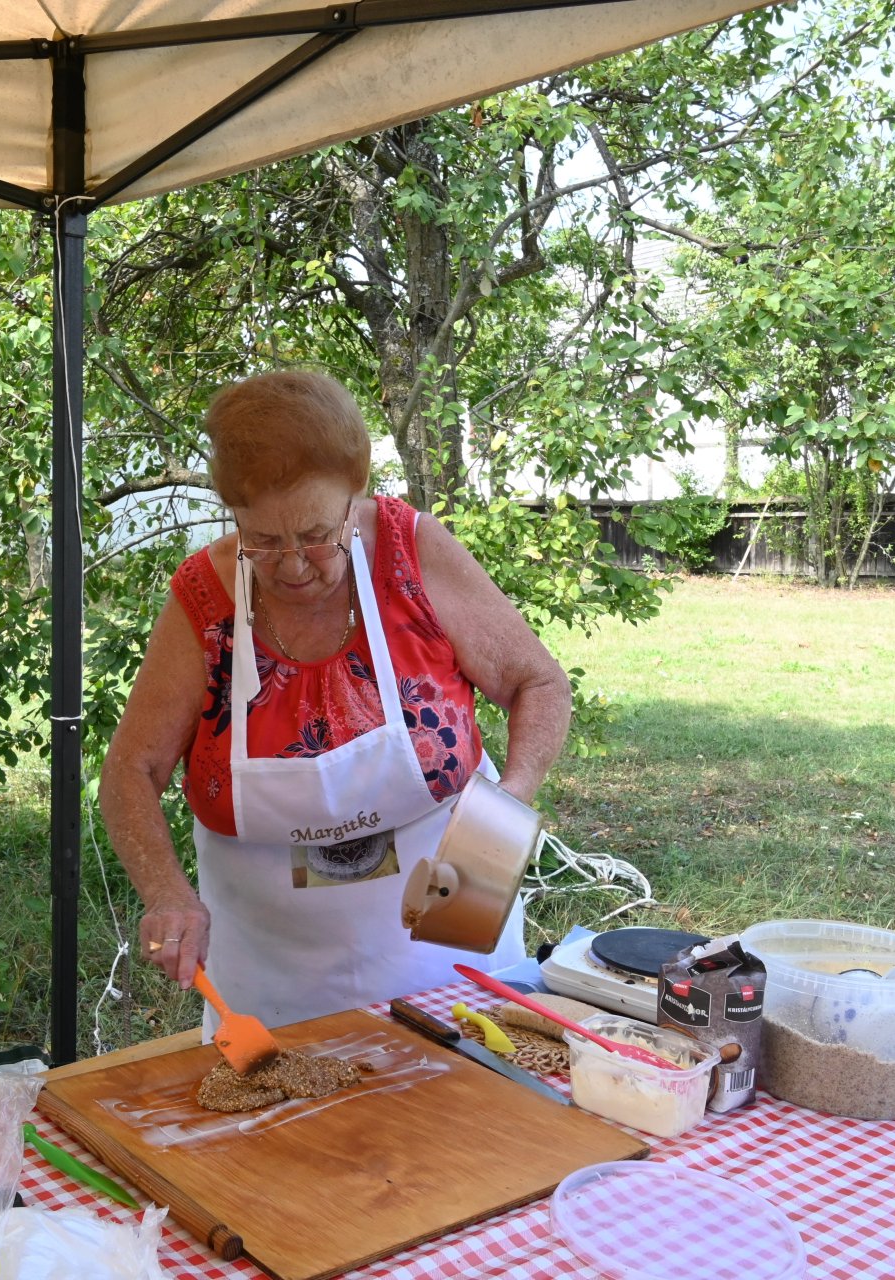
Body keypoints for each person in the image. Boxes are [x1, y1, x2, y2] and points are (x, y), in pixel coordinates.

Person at [99, 371, 573, 1033]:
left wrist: (512, 795)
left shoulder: (413, 555)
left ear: (357, 497)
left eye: (317, 534)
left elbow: (539, 684)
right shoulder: (203, 600)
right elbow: (131, 771)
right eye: (262, 541)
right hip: (272, 984)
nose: (293, 565)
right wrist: (166, 894)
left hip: (447, 951)